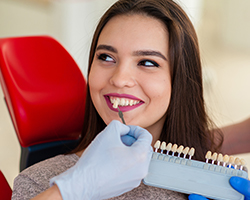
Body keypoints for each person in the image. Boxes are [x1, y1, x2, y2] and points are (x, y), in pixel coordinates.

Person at [11, 0, 250, 200]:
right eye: (106, 57)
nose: (119, 79)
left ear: (180, 81)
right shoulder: (38, 183)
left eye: (147, 62)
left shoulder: (217, 182)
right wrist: (73, 189)